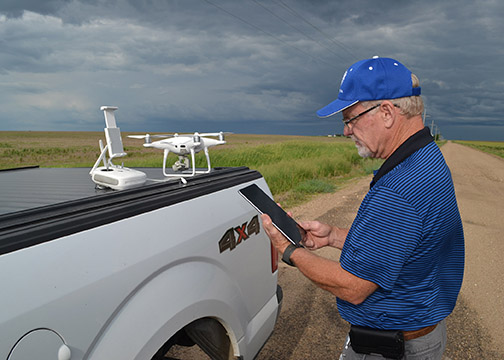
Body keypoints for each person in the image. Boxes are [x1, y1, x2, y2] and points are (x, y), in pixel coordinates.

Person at [261, 56, 464, 359]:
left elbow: (353, 287)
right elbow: (400, 247)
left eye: (351, 118)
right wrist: (332, 236)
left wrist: (288, 249)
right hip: (422, 333)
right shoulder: (425, 158)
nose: (346, 131)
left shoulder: (399, 190)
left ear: (386, 112)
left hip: (392, 347)